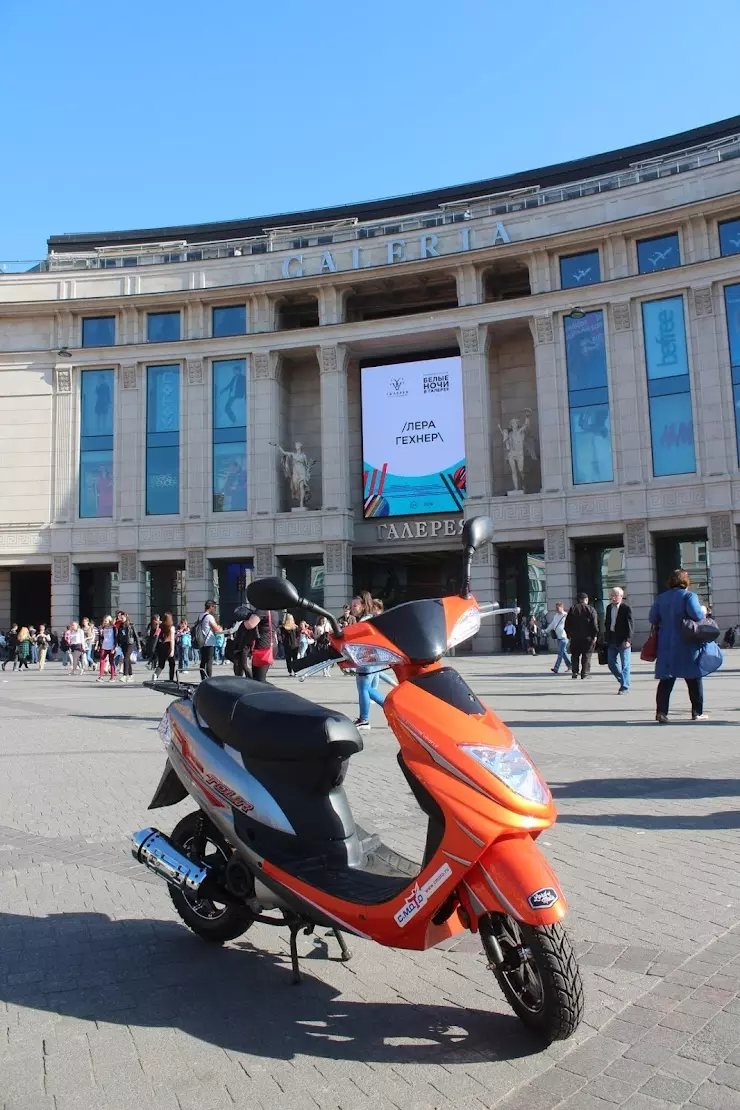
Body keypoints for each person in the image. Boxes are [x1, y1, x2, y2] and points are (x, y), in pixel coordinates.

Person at [649, 569, 709, 723]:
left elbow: (653, 618)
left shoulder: (661, 598)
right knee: (694, 678)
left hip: (666, 644)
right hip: (686, 643)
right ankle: (697, 712)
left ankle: (661, 712)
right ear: (685, 581)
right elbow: (697, 615)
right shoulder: (689, 596)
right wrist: (702, 610)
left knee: (666, 680)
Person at [354, 593, 386, 730]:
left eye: (355, 605)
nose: (352, 608)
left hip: (367, 659)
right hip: (372, 659)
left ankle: (364, 719)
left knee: (364, 689)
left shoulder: (365, 621)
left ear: (363, 605)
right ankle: (393, 711)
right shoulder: (371, 618)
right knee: (368, 689)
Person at [605, 586, 633, 694]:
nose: (613, 598)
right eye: (611, 595)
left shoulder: (626, 608)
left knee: (625, 664)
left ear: (621, 597)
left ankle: (625, 687)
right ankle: (623, 680)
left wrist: (628, 639)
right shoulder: (608, 608)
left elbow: (630, 625)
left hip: (623, 640)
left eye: (615, 596)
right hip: (612, 638)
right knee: (611, 663)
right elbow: (607, 623)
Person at [565, 593, 599, 680]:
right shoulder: (591, 609)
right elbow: (594, 624)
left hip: (575, 637)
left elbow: (567, 624)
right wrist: (595, 635)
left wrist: (569, 635)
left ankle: (574, 672)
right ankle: (585, 673)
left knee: (575, 655)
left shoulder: (572, 609)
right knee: (587, 655)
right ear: (586, 599)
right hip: (588, 637)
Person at [239, 608, 276, 683]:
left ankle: (278, 693)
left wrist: (243, 621)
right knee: (257, 679)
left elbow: (250, 624)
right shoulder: (273, 610)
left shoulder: (262, 609)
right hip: (270, 644)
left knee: (260, 680)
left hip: (263, 647)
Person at [196, 601, 222, 680]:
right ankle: (209, 679)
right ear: (210, 607)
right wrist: (219, 627)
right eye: (214, 607)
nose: (214, 609)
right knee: (209, 661)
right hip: (209, 641)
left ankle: (203, 679)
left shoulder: (200, 616)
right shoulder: (209, 617)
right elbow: (216, 629)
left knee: (203, 661)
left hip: (201, 641)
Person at [545, 603, 571, 674]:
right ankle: (570, 665)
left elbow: (570, 625)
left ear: (562, 607)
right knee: (563, 652)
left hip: (564, 637)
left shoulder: (566, 615)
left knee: (560, 653)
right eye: (556, 608)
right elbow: (552, 624)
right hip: (558, 637)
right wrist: (546, 630)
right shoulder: (556, 616)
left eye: (558, 608)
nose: (556, 609)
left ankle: (556, 668)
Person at [117, 613, 140, 683]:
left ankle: (124, 675)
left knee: (126, 658)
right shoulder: (120, 626)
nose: (121, 618)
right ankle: (131, 675)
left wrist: (139, 646)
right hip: (123, 644)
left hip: (130, 643)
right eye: (121, 617)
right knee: (128, 660)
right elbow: (119, 635)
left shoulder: (131, 625)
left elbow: (136, 636)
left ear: (126, 617)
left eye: (123, 617)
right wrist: (118, 643)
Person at [155, 612, 176, 681]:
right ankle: (171, 679)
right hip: (168, 645)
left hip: (161, 646)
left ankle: (155, 675)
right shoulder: (171, 627)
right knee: (172, 664)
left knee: (161, 664)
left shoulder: (160, 626)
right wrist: (172, 650)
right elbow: (172, 639)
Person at [96, 616, 118, 682]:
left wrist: (114, 647)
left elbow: (116, 638)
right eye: (104, 620)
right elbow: (101, 638)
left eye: (106, 620)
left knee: (111, 661)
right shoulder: (102, 628)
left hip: (111, 646)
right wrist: (99, 645)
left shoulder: (114, 628)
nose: (105, 622)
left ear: (109, 621)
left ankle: (112, 677)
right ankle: (101, 676)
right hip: (104, 646)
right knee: (102, 660)